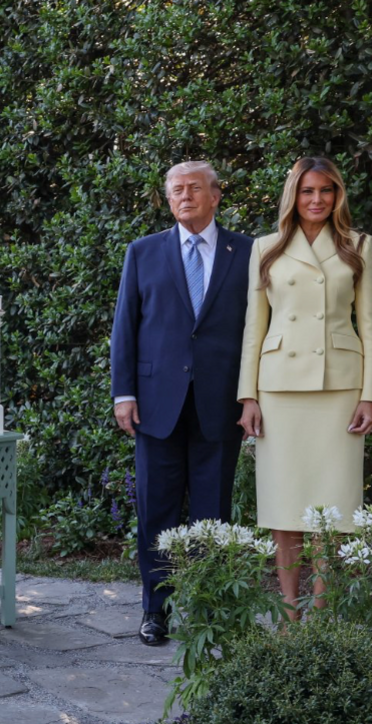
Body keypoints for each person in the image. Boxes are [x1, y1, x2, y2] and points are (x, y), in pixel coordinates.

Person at [110, 161, 254, 645]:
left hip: (221, 403)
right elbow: (125, 327)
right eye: (176, 190)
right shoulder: (143, 252)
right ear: (167, 200)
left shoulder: (249, 253)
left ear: (216, 196)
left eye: (195, 188)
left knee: (213, 513)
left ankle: (210, 609)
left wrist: (253, 393)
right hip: (155, 405)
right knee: (157, 511)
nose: (185, 196)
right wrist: (123, 393)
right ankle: (157, 611)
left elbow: (259, 331)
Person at [237, 156, 372, 620]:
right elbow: (253, 329)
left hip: (339, 387)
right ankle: (288, 614)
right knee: (284, 512)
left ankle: (319, 611)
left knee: (330, 511)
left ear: (338, 195)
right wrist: (248, 396)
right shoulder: (266, 247)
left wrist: (370, 394)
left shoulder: (358, 245)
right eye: (307, 191)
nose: (317, 199)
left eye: (326, 191)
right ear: (293, 197)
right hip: (279, 389)